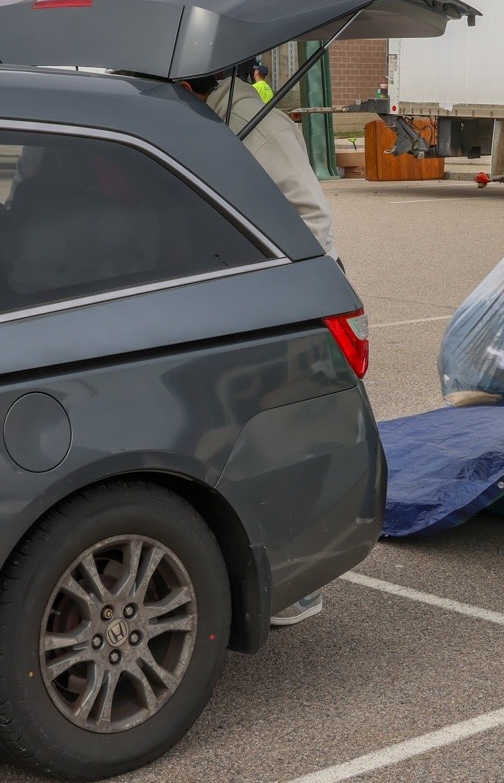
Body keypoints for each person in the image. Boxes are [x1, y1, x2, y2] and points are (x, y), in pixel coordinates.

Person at [180, 68, 337, 627]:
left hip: (270, 304)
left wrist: (304, 306)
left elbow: (311, 217)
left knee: (274, 441)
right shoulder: (176, 107)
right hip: (208, 296)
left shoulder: (255, 124)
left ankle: (293, 580)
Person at [183, 70, 337, 261]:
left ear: (185, 89)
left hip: (298, 271)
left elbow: (313, 217)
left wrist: (279, 274)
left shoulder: (258, 128)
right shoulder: (214, 121)